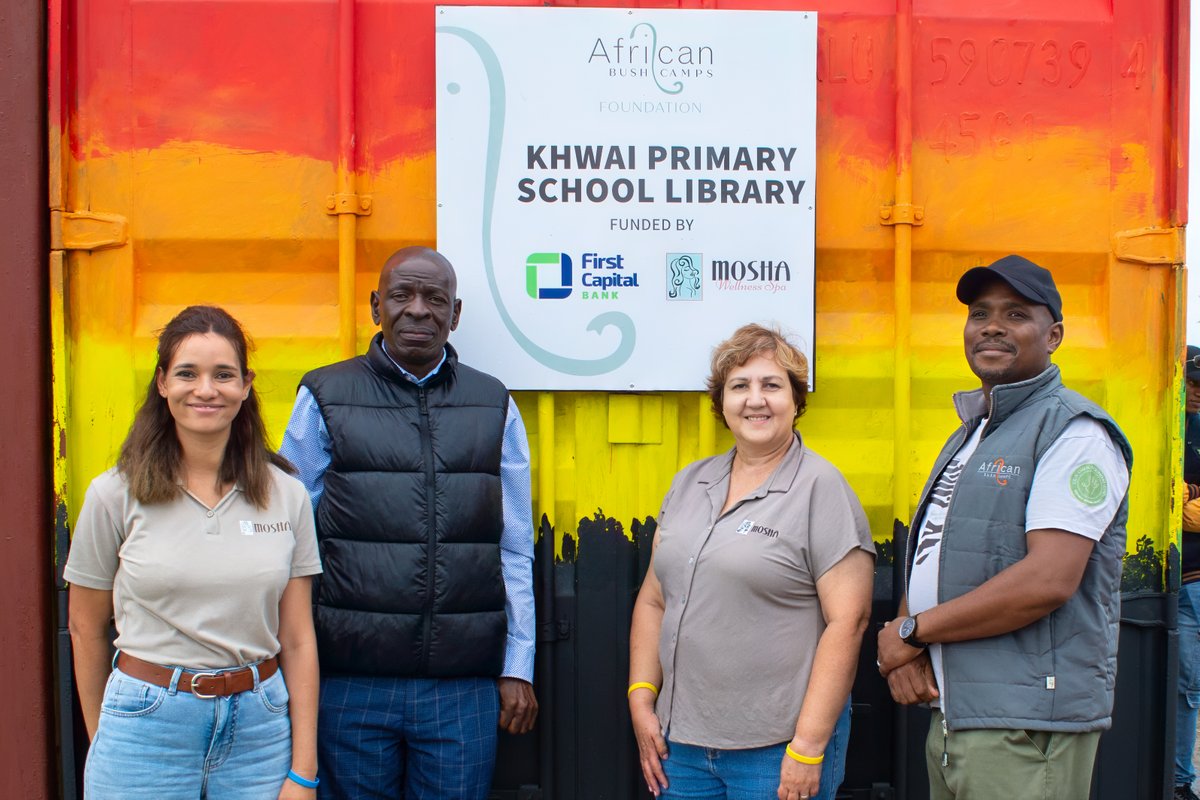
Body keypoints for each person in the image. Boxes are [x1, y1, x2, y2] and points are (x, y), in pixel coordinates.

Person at [280, 246, 537, 800]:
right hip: (349, 683)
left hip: (461, 689)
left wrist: (518, 665)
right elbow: (288, 538)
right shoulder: (324, 396)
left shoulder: (493, 403)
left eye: (434, 298)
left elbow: (514, 546)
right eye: (402, 295)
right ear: (377, 306)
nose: (418, 310)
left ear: (456, 313)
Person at [877, 255, 1132, 800]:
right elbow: (937, 552)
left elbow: (1047, 581)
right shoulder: (972, 433)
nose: (991, 325)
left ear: (1054, 335)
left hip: (1024, 723)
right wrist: (907, 645)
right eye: (979, 313)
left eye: (1016, 314)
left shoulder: (1076, 432)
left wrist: (908, 632)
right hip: (957, 714)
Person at [65, 305, 322, 799]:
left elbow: (297, 640)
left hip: (259, 733)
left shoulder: (286, 494)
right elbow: (85, 626)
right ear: (163, 383)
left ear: (246, 386)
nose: (206, 389)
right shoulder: (113, 494)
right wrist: (108, 741)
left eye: (223, 375)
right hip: (145, 728)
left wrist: (303, 772)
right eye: (188, 373)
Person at [628, 324, 875, 800]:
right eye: (740, 386)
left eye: (772, 385)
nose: (755, 399)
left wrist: (807, 749)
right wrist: (641, 699)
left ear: (796, 400)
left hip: (776, 752)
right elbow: (654, 599)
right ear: (721, 402)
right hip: (679, 747)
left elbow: (850, 622)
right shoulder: (689, 483)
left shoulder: (821, 488)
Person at [1175, 346, 1200, 800]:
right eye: (1193, 382)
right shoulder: (1158, 426)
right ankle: (1179, 781)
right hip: (1182, 580)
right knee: (1185, 687)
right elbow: (1164, 499)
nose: (1198, 392)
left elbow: (1181, 506)